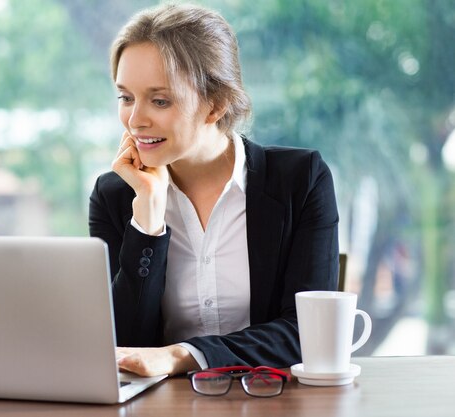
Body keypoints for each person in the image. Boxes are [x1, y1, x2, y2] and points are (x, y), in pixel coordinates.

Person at [89, 3, 339, 377]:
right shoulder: (115, 195)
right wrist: (148, 225)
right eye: (126, 97)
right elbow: (120, 345)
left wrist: (183, 355)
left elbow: (305, 332)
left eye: (160, 100)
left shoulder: (300, 180)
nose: (136, 120)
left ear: (216, 104)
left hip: (272, 400)